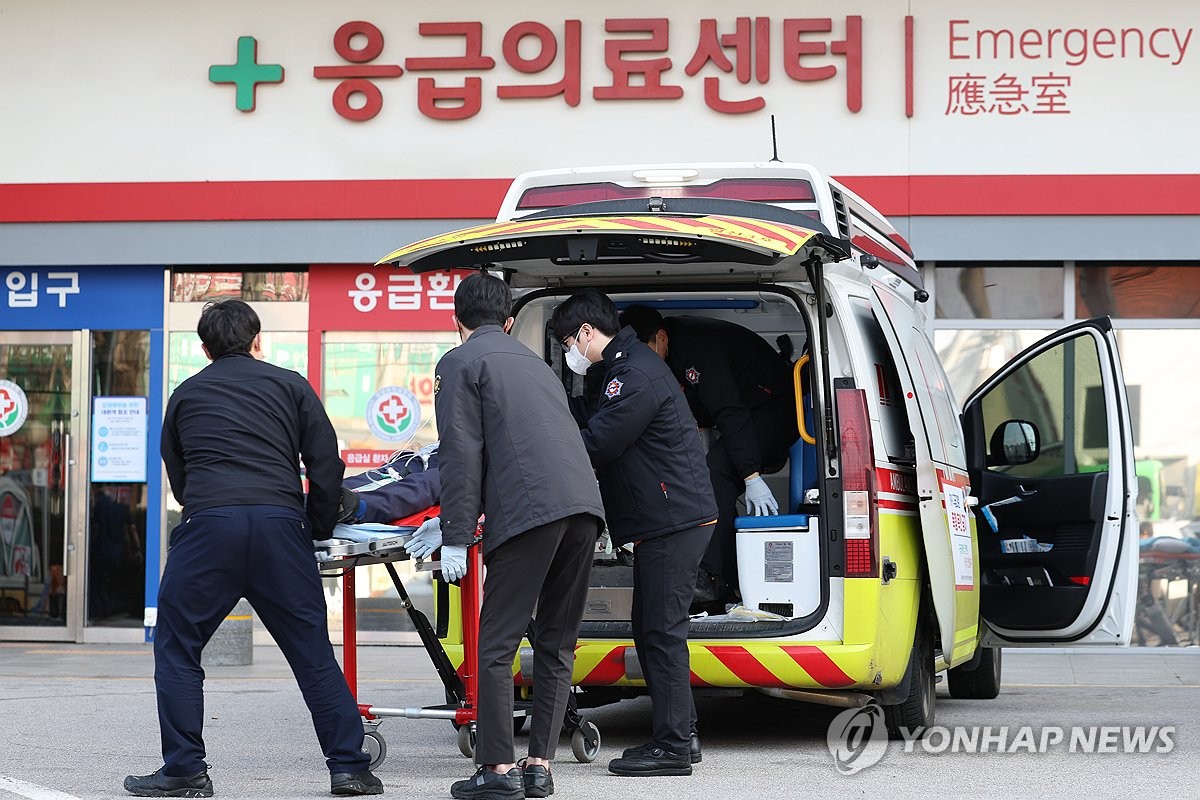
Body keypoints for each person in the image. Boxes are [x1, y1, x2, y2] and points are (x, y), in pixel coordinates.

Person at [125, 299, 383, 798]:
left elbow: (177, 471)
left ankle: (184, 771)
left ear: (204, 348)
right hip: (280, 527)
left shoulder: (185, 394)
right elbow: (326, 464)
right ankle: (349, 768)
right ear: (256, 339)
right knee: (311, 652)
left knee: (178, 646)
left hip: (208, 529)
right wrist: (314, 526)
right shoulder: (291, 386)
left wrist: (205, 507)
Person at [421, 272, 606, 800]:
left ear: (457, 323)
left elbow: (462, 454)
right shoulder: (537, 365)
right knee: (555, 642)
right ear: (507, 322)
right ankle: (540, 766)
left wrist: (455, 533)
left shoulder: (459, 362)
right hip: (584, 509)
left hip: (531, 511)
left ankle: (496, 770)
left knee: (496, 645)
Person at [549, 290, 718, 778]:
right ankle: (681, 734)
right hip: (667, 518)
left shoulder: (635, 374)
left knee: (661, 632)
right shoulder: (620, 369)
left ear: (586, 334)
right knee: (654, 630)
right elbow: (590, 416)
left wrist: (543, 446)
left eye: (566, 342)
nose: (568, 353)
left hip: (673, 519)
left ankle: (672, 746)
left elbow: (599, 442)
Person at [619, 306, 799, 610]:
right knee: (704, 474)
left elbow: (729, 410)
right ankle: (725, 582)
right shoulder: (668, 354)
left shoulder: (699, 347)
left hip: (776, 407)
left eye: (645, 352)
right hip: (743, 412)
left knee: (719, 470)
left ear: (661, 337)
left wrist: (751, 475)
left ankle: (711, 577)